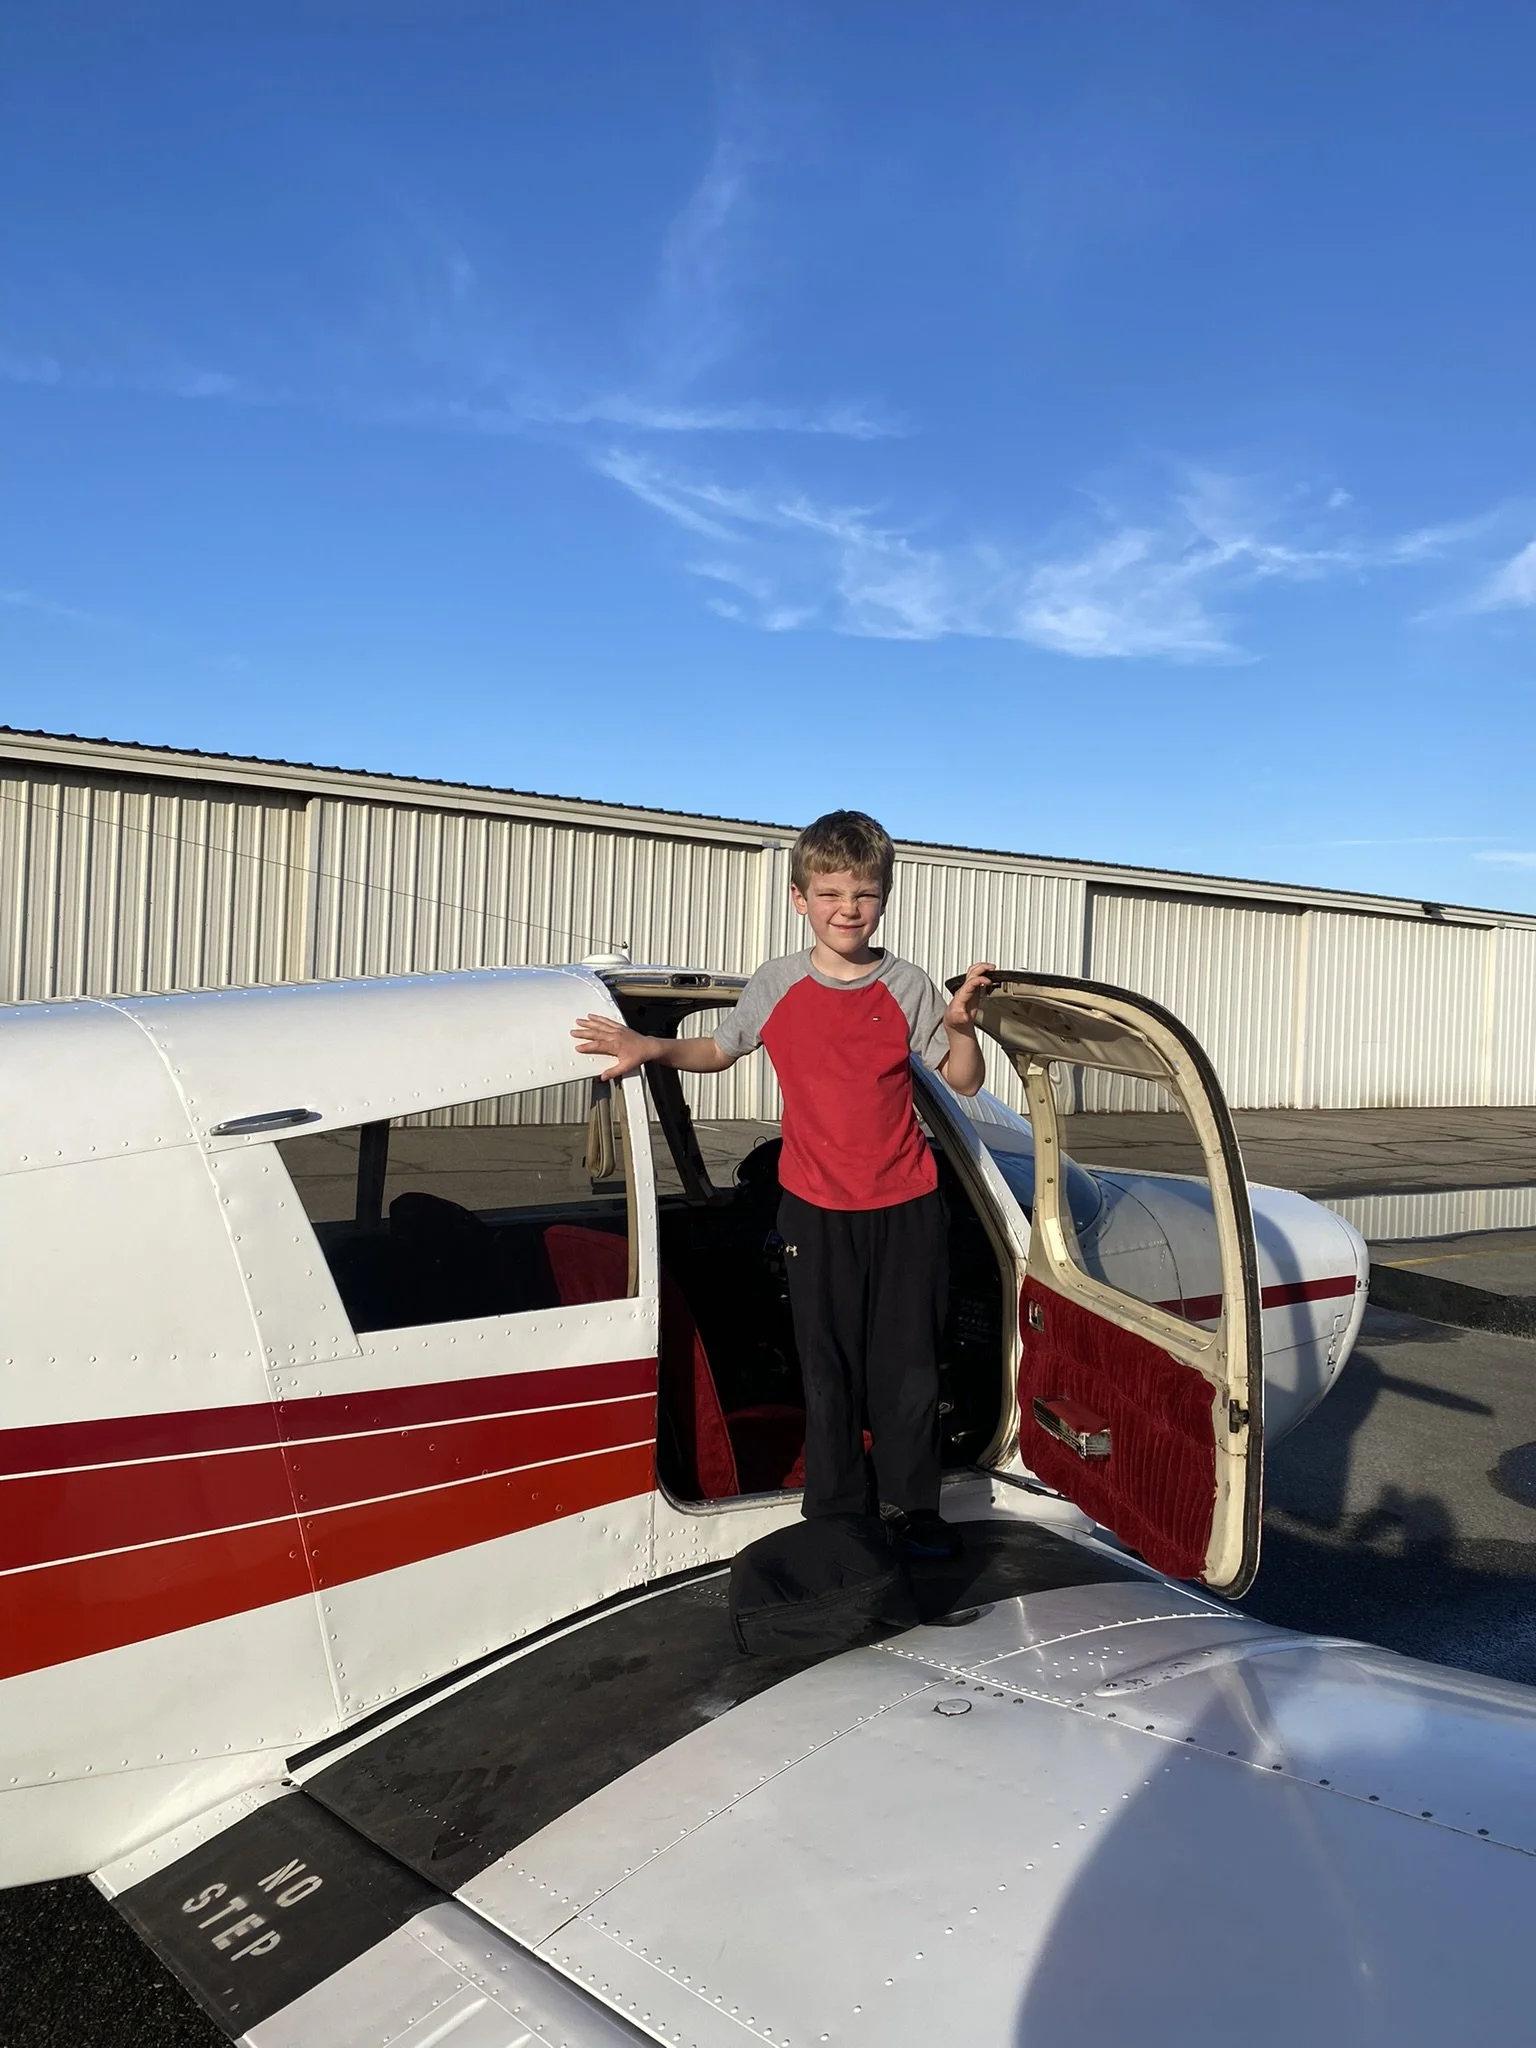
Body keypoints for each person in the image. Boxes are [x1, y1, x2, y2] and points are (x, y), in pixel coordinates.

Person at [572, 808, 994, 1559]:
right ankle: (835, 1513)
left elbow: (962, 1081)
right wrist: (651, 1045)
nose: (847, 910)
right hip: (814, 1209)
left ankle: (912, 1510)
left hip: (906, 1209)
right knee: (826, 1367)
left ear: (884, 899)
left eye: (863, 895)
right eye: (829, 894)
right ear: (800, 899)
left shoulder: (908, 985)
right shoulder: (775, 984)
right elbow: (720, 1048)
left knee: (907, 1368)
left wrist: (961, 1027)